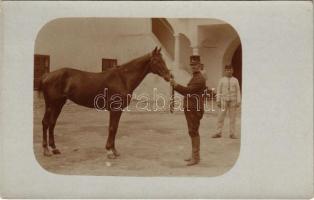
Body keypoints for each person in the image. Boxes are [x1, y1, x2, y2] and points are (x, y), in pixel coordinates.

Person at [170, 55, 206, 166]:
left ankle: (195, 157)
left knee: (193, 131)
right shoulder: (195, 77)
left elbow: (188, 91)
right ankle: (194, 155)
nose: (193, 67)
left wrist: (175, 85)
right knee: (192, 131)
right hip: (191, 108)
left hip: (194, 108)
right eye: (192, 65)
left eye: (195, 65)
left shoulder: (199, 78)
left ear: (200, 65)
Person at [212, 64, 241, 139]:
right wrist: (218, 100)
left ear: (232, 70)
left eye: (230, 70)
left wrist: (238, 101)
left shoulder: (235, 80)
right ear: (225, 71)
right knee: (220, 117)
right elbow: (219, 90)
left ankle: (232, 133)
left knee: (232, 118)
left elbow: (238, 90)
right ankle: (218, 132)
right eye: (227, 70)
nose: (229, 71)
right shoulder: (222, 80)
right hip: (223, 101)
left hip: (233, 101)